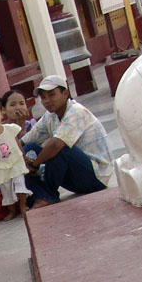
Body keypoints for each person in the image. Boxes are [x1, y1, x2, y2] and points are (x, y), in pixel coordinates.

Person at [21, 75, 112, 208]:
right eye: (43, 97)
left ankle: (47, 195)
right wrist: (24, 159)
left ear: (65, 93)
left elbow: (57, 144)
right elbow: (23, 142)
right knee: (29, 148)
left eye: (52, 95)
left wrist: (35, 164)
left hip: (96, 178)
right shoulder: (50, 116)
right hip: (75, 178)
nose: (47, 101)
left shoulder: (76, 111)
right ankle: (42, 195)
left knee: (60, 146)